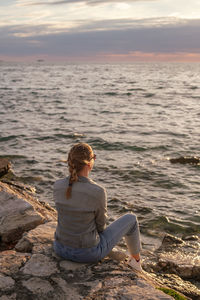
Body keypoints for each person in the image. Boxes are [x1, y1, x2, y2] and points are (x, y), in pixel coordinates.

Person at [53, 142, 142, 271]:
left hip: (60, 248)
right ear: (89, 163)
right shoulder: (98, 191)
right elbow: (101, 227)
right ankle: (136, 262)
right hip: (87, 254)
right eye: (94, 157)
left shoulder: (57, 185)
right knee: (131, 219)